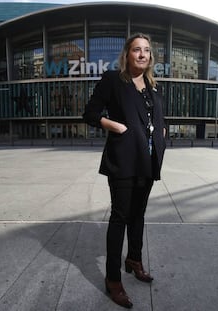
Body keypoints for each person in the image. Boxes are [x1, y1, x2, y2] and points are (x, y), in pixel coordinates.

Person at [83, 33, 166, 309]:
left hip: (148, 161)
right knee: (120, 217)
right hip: (123, 160)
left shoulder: (154, 89)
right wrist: (115, 126)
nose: (142, 54)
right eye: (136, 50)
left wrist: (161, 136)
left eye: (146, 50)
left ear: (150, 56)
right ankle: (113, 279)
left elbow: (157, 122)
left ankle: (134, 259)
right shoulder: (113, 81)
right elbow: (90, 113)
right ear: (127, 54)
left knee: (138, 214)